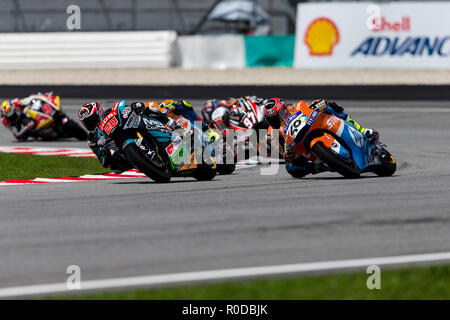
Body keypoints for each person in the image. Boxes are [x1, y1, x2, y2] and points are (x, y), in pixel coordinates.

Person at [79, 99, 218, 173]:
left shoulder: (109, 112)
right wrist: (103, 153)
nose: (93, 123)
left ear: (100, 112)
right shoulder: (93, 139)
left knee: (152, 107)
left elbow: (125, 108)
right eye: (89, 123)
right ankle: (151, 162)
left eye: (93, 119)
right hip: (126, 153)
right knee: (116, 166)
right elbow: (104, 162)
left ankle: (178, 129)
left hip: (135, 126)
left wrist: (136, 107)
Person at [264, 98, 379, 178]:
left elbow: (310, 106)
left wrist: (319, 103)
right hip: (298, 147)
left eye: (276, 117)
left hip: (314, 125)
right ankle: (324, 167)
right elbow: (283, 152)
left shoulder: (295, 107)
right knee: (291, 168)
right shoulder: (272, 132)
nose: (274, 121)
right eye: (271, 119)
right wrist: (286, 154)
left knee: (331, 107)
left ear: (284, 109)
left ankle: (361, 130)